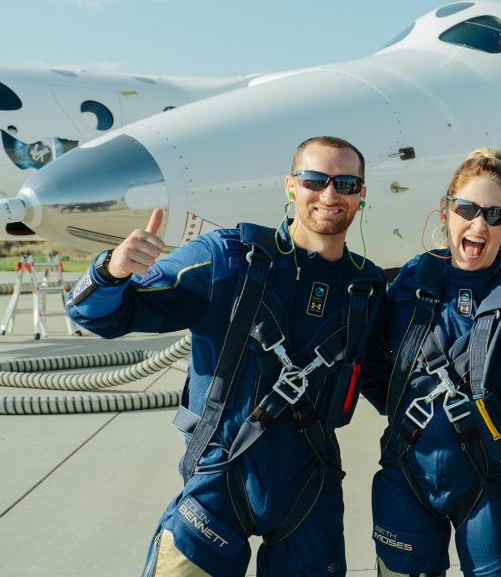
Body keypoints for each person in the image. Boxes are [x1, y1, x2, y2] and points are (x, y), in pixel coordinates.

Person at [67, 136, 386, 576]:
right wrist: (111, 271)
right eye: (315, 180)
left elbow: (389, 383)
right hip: (218, 482)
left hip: (310, 487)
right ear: (291, 186)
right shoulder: (228, 260)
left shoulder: (365, 290)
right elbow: (97, 314)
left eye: (346, 183)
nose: (330, 195)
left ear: (361, 195)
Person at [362, 148, 501, 577]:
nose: (479, 225)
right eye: (467, 209)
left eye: (494, 214)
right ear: (446, 209)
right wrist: (397, 406)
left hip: (493, 479)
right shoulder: (414, 278)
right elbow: (369, 356)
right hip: (409, 471)